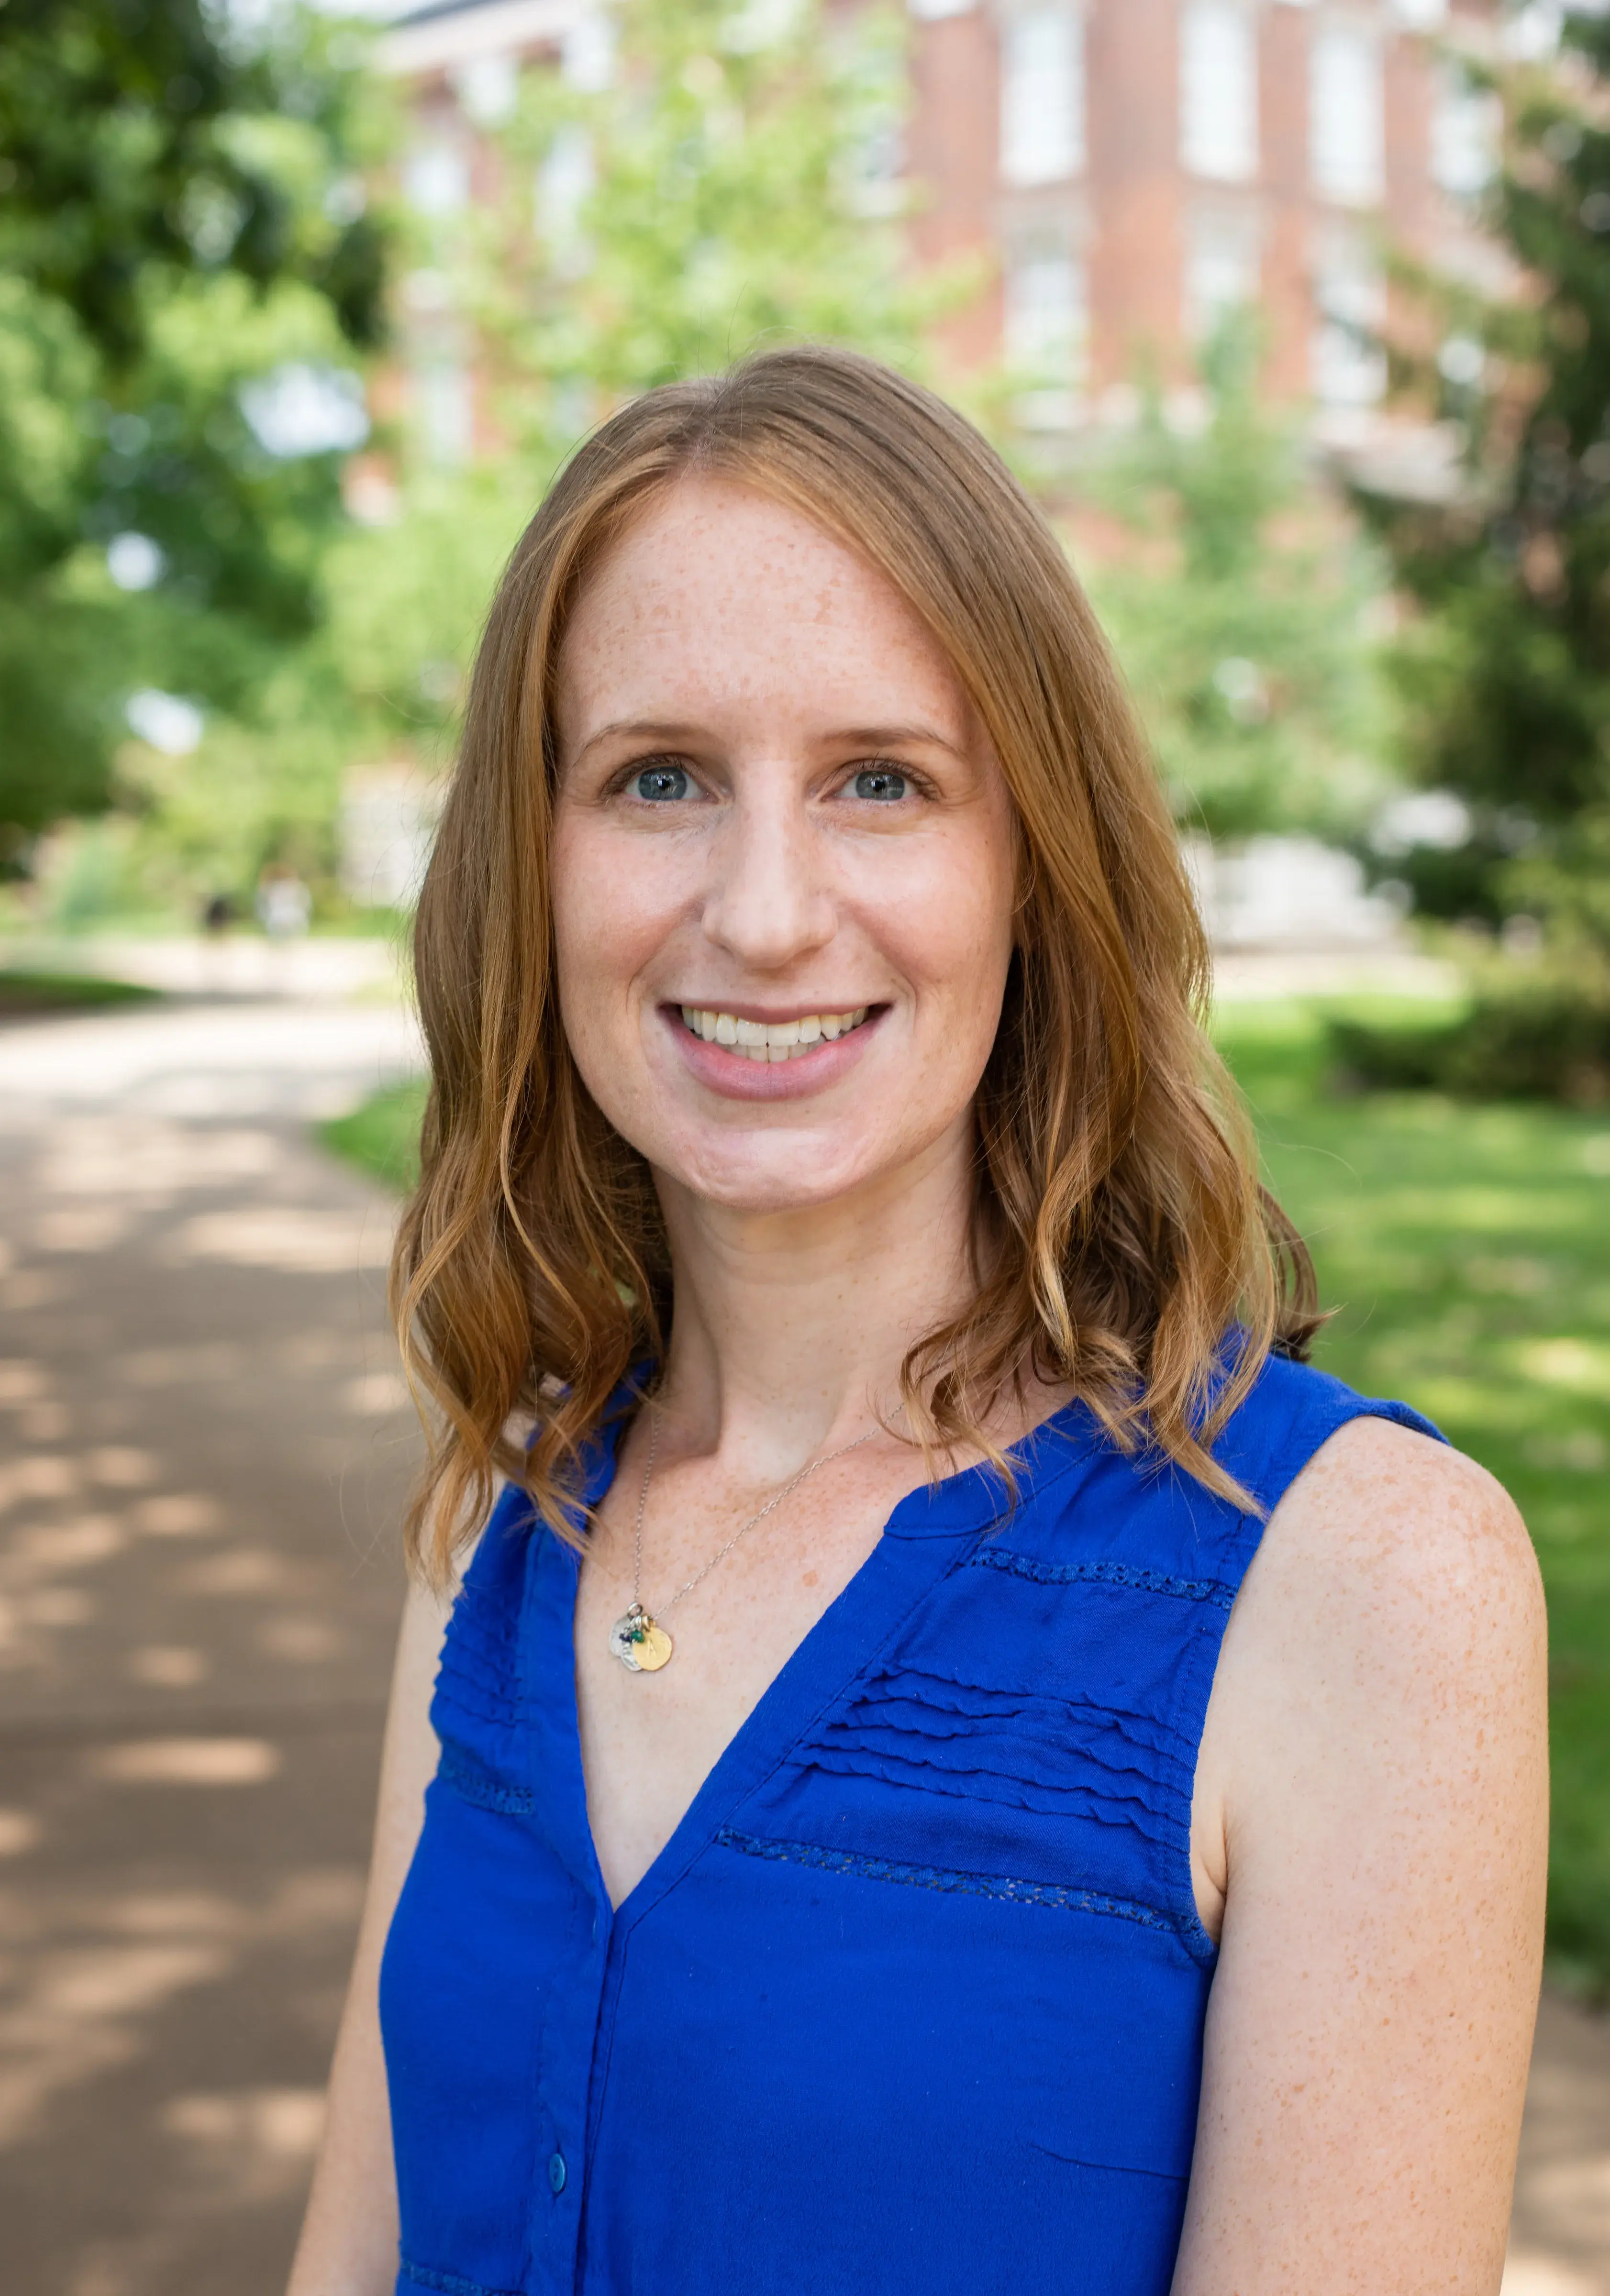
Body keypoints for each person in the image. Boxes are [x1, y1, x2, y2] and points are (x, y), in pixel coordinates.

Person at [288, 347, 1546, 2296]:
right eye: (659, 779)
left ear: (1033, 865)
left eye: (881, 780)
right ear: (528, 869)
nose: (768, 909)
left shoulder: (1360, 1583)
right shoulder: (501, 1524)